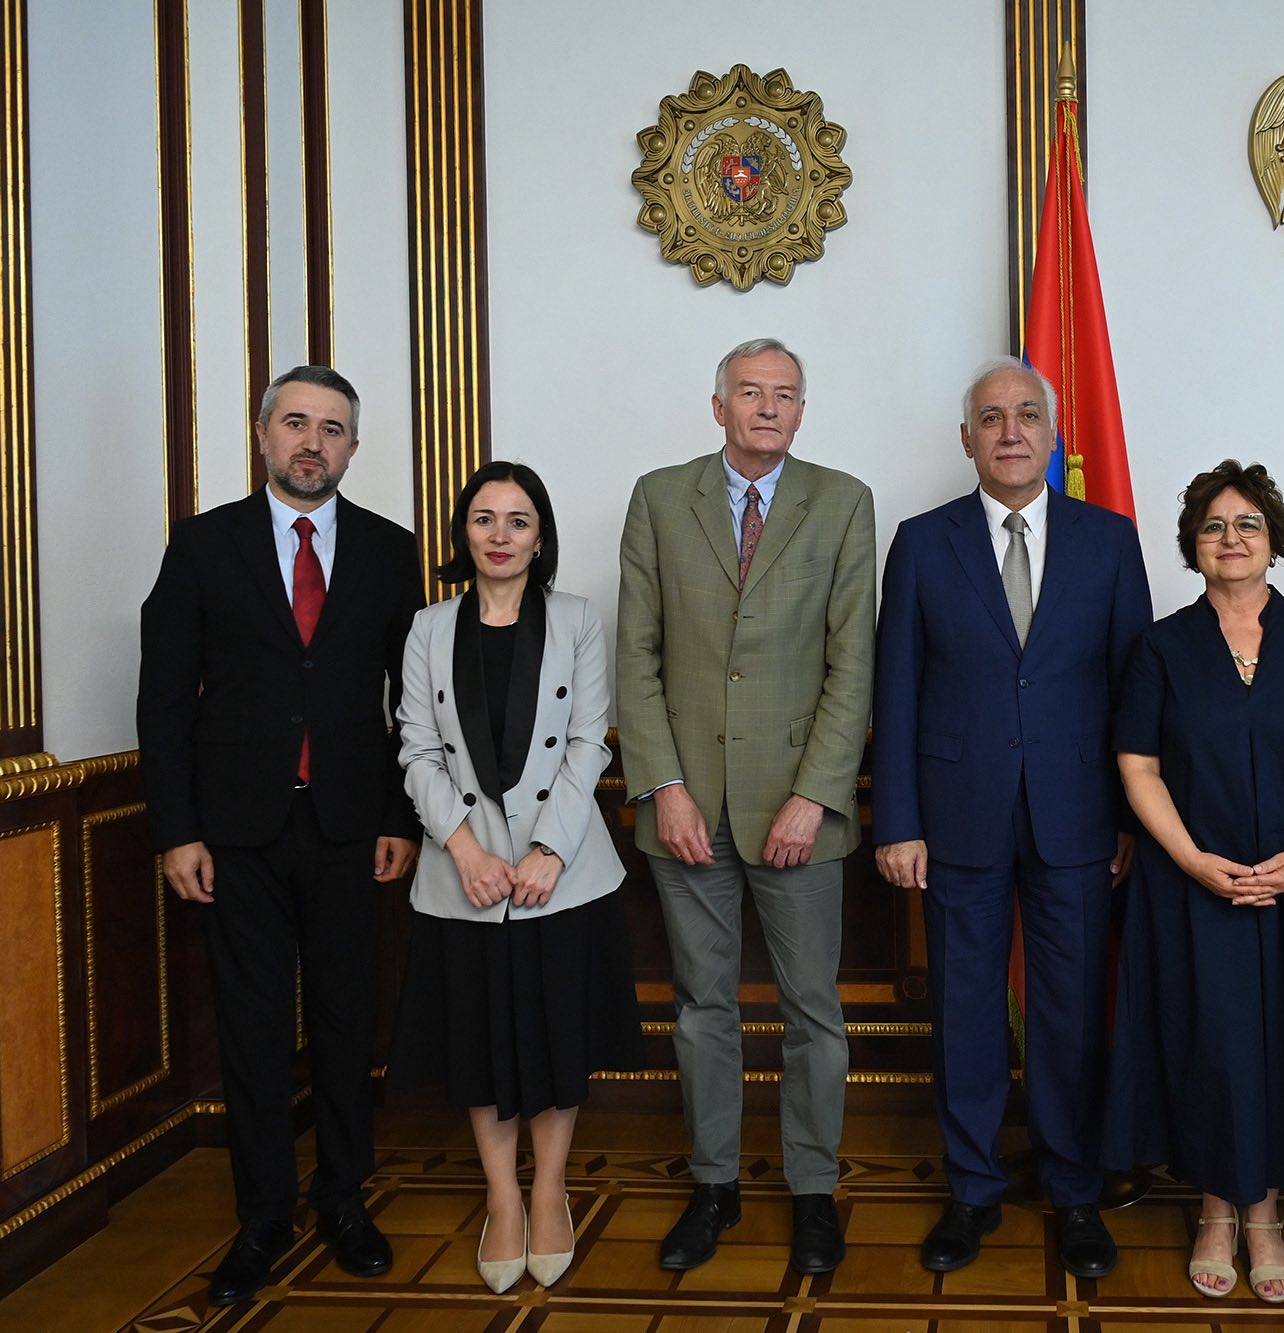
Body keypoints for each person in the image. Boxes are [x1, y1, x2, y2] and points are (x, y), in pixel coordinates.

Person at [137, 366, 421, 1306]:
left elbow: (413, 704)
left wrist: (398, 819)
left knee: (346, 1022)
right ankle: (262, 1217)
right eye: (295, 422)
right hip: (236, 833)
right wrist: (176, 832)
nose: (314, 441)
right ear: (262, 435)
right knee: (255, 1032)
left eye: (333, 428)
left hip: (351, 828)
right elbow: (165, 699)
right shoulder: (202, 546)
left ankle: (344, 1199)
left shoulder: (390, 551)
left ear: (351, 445)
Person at [872, 357, 1151, 1278]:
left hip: (1079, 819)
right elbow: (898, 690)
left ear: (1053, 430)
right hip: (954, 820)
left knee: (1072, 1013)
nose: (1011, 431)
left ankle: (1075, 1191)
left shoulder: (1109, 541)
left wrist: (1127, 818)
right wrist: (898, 820)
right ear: (967, 438)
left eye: (1028, 414)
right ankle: (972, 1190)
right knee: (964, 1011)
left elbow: (1131, 694)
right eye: (991, 418)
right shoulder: (921, 540)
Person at [615, 337, 875, 1277]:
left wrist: (814, 794)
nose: (769, 408)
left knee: (814, 1010)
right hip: (686, 809)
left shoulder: (844, 502)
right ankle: (713, 1184)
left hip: (799, 809)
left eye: (787, 395)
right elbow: (635, 655)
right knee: (702, 1008)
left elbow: (855, 666)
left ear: (803, 413)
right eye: (751, 393)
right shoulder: (657, 497)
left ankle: (814, 1190)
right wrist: (663, 784)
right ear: (717, 405)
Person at [1101, 459, 1284, 1304]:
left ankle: (1267, 1216)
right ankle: (1217, 1210)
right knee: (1213, 1046)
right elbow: (1137, 763)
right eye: (1214, 525)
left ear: (1274, 540)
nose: (1231, 538)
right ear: (1193, 543)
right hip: (1193, 882)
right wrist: (1190, 859)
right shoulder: (1161, 645)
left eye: (1247, 524)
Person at [389, 461, 643, 1292]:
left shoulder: (575, 620)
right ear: (464, 533)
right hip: (465, 875)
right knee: (481, 1035)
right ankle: (502, 1198)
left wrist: (549, 853)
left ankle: (550, 1192)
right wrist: (463, 848)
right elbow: (417, 749)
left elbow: (589, 741)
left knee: (552, 1030)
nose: (499, 534)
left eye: (518, 520)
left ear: (542, 537)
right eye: (484, 518)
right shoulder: (429, 626)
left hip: (558, 871)